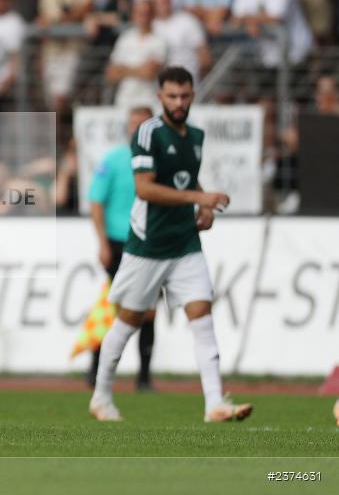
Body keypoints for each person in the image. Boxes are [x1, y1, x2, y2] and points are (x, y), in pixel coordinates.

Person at [90, 66, 253, 424]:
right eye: (172, 96)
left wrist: (203, 207)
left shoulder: (195, 136)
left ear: (193, 95)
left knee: (202, 315)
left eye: (184, 96)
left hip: (184, 243)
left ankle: (214, 403)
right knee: (128, 321)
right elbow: (145, 188)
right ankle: (101, 396)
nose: (179, 103)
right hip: (147, 245)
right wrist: (199, 195)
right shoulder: (147, 133)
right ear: (160, 97)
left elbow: (188, 180)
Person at [86, 107, 155, 391]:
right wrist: (102, 242)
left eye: (143, 124)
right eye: (133, 124)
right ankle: (96, 370)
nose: (137, 129)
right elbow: (95, 202)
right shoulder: (114, 160)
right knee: (117, 307)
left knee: (149, 311)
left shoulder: (159, 163)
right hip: (118, 242)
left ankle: (143, 377)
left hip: (150, 244)